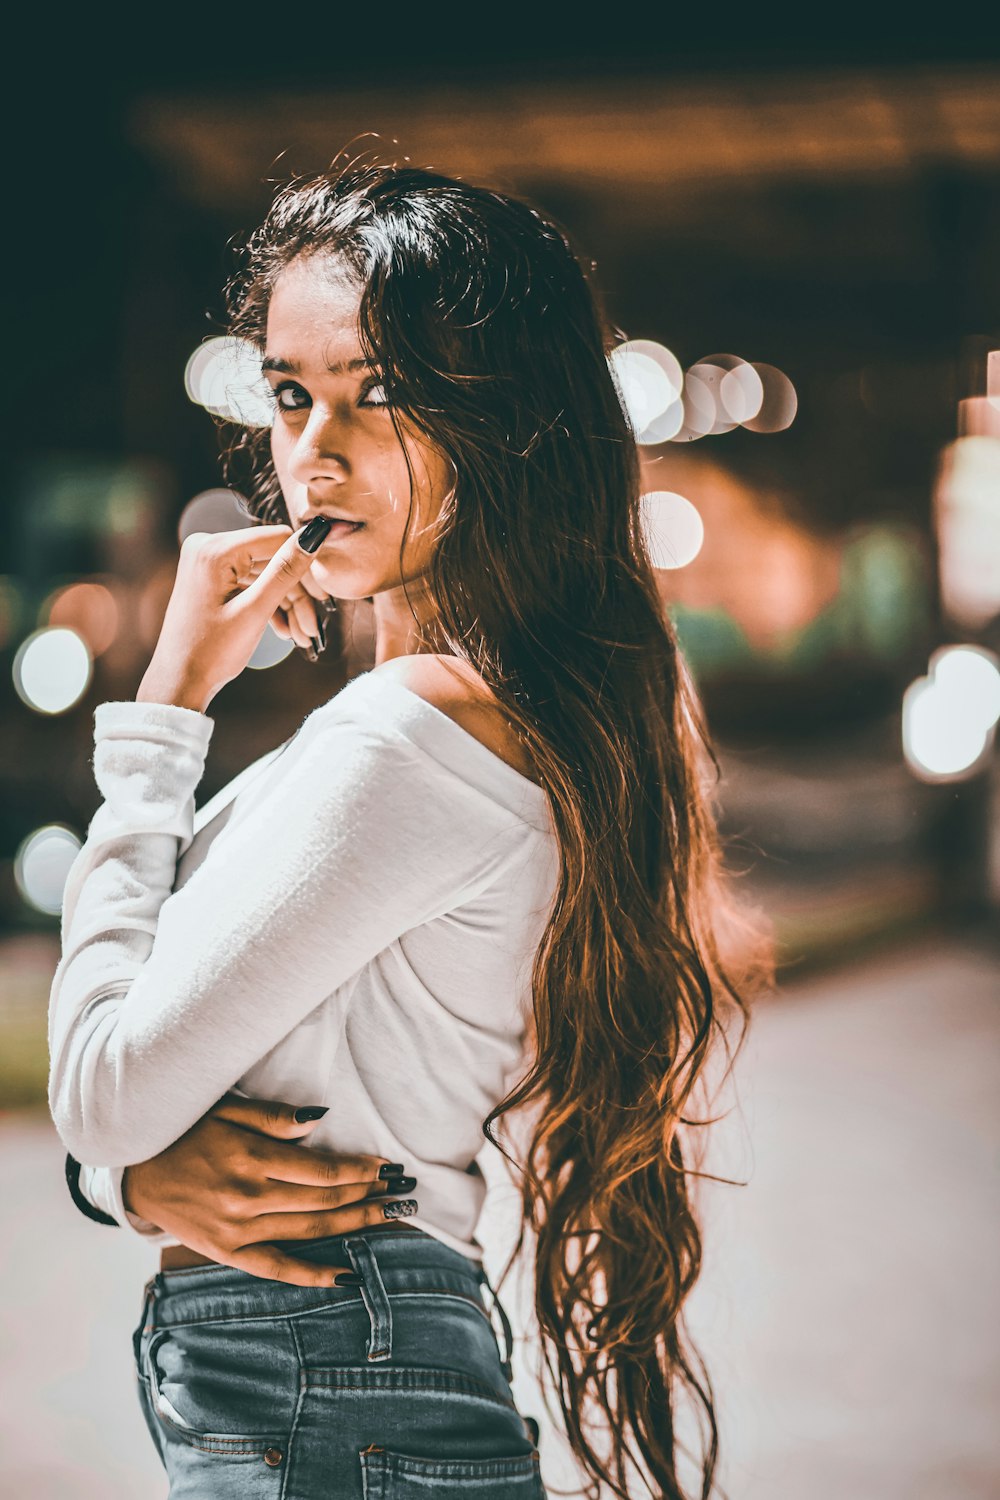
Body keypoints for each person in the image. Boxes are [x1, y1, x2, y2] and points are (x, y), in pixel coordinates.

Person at [49, 158, 771, 1500]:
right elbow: (131, 1113)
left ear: (501, 418)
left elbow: (103, 1088)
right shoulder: (486, 721)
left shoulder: (409, 741)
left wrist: (162, 717)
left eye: (378, 392)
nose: (314, 448)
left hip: (328, 1367)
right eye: (288, 392)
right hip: (351, 1363)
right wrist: (132, 1183)